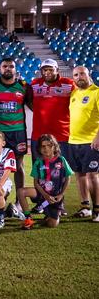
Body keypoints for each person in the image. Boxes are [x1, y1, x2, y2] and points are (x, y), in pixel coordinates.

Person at [0, 58, 32, 218]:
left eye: (11, 66)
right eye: (5, 66)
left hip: (17, 132)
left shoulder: (24, 86)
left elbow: (33, 106)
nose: (8, 69)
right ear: (0, 69)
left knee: (18, 166)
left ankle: (19, 200)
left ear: (15, 69)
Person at [19, 134, 73, 230]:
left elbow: (68, 179)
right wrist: (45, 195)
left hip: (55, 197)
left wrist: (61, 194)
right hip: (41, 194)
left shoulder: (61, 160)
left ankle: (48, 215)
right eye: (43, 146)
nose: (46, 148)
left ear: (54, 147)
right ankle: (28, 218)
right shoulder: (38, 162)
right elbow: (36, 183)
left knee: (52, 224)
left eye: (49, 145)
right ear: (39, 148)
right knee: (21, 191)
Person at [67, 66, 99, 221]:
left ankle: (97, 210)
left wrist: (98, 137)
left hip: (91, 141)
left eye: (82, 74)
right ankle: (85, 206)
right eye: (76, 75)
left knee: (93, 175)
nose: (79, 77)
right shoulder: (74, 93)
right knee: (80, 174)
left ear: (88, 75)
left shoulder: (97, 92)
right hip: (73, 140)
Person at [31, 59, 74, 163]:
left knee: (62, 170)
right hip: (38, 135)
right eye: (44, 70)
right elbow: (28, 100)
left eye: (50, 69)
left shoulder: (69, 84)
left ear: (57, 70)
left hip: (62, 135)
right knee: (39, 170)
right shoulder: (34, 84)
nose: (47, 72)